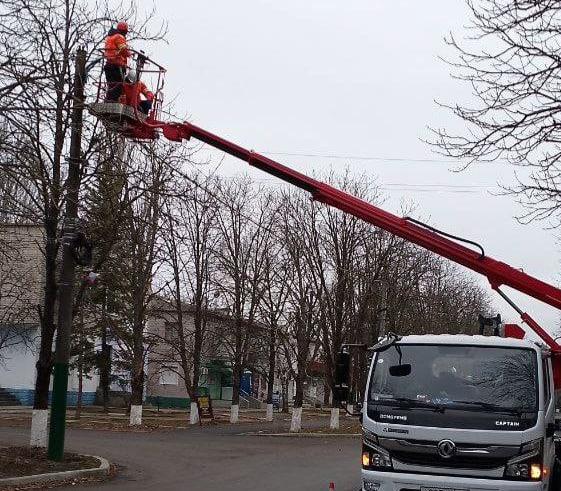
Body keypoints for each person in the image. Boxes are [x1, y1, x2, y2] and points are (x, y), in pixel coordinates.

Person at [104, 21, 131, 102]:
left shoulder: (109, 37)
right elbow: (123, 49)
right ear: (124, 31)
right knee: (118, 85)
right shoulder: (119, 37)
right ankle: (113, 101)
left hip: (108, 64)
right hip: (117, 65)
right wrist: (130, 54)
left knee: (111, 84)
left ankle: (108, 100)